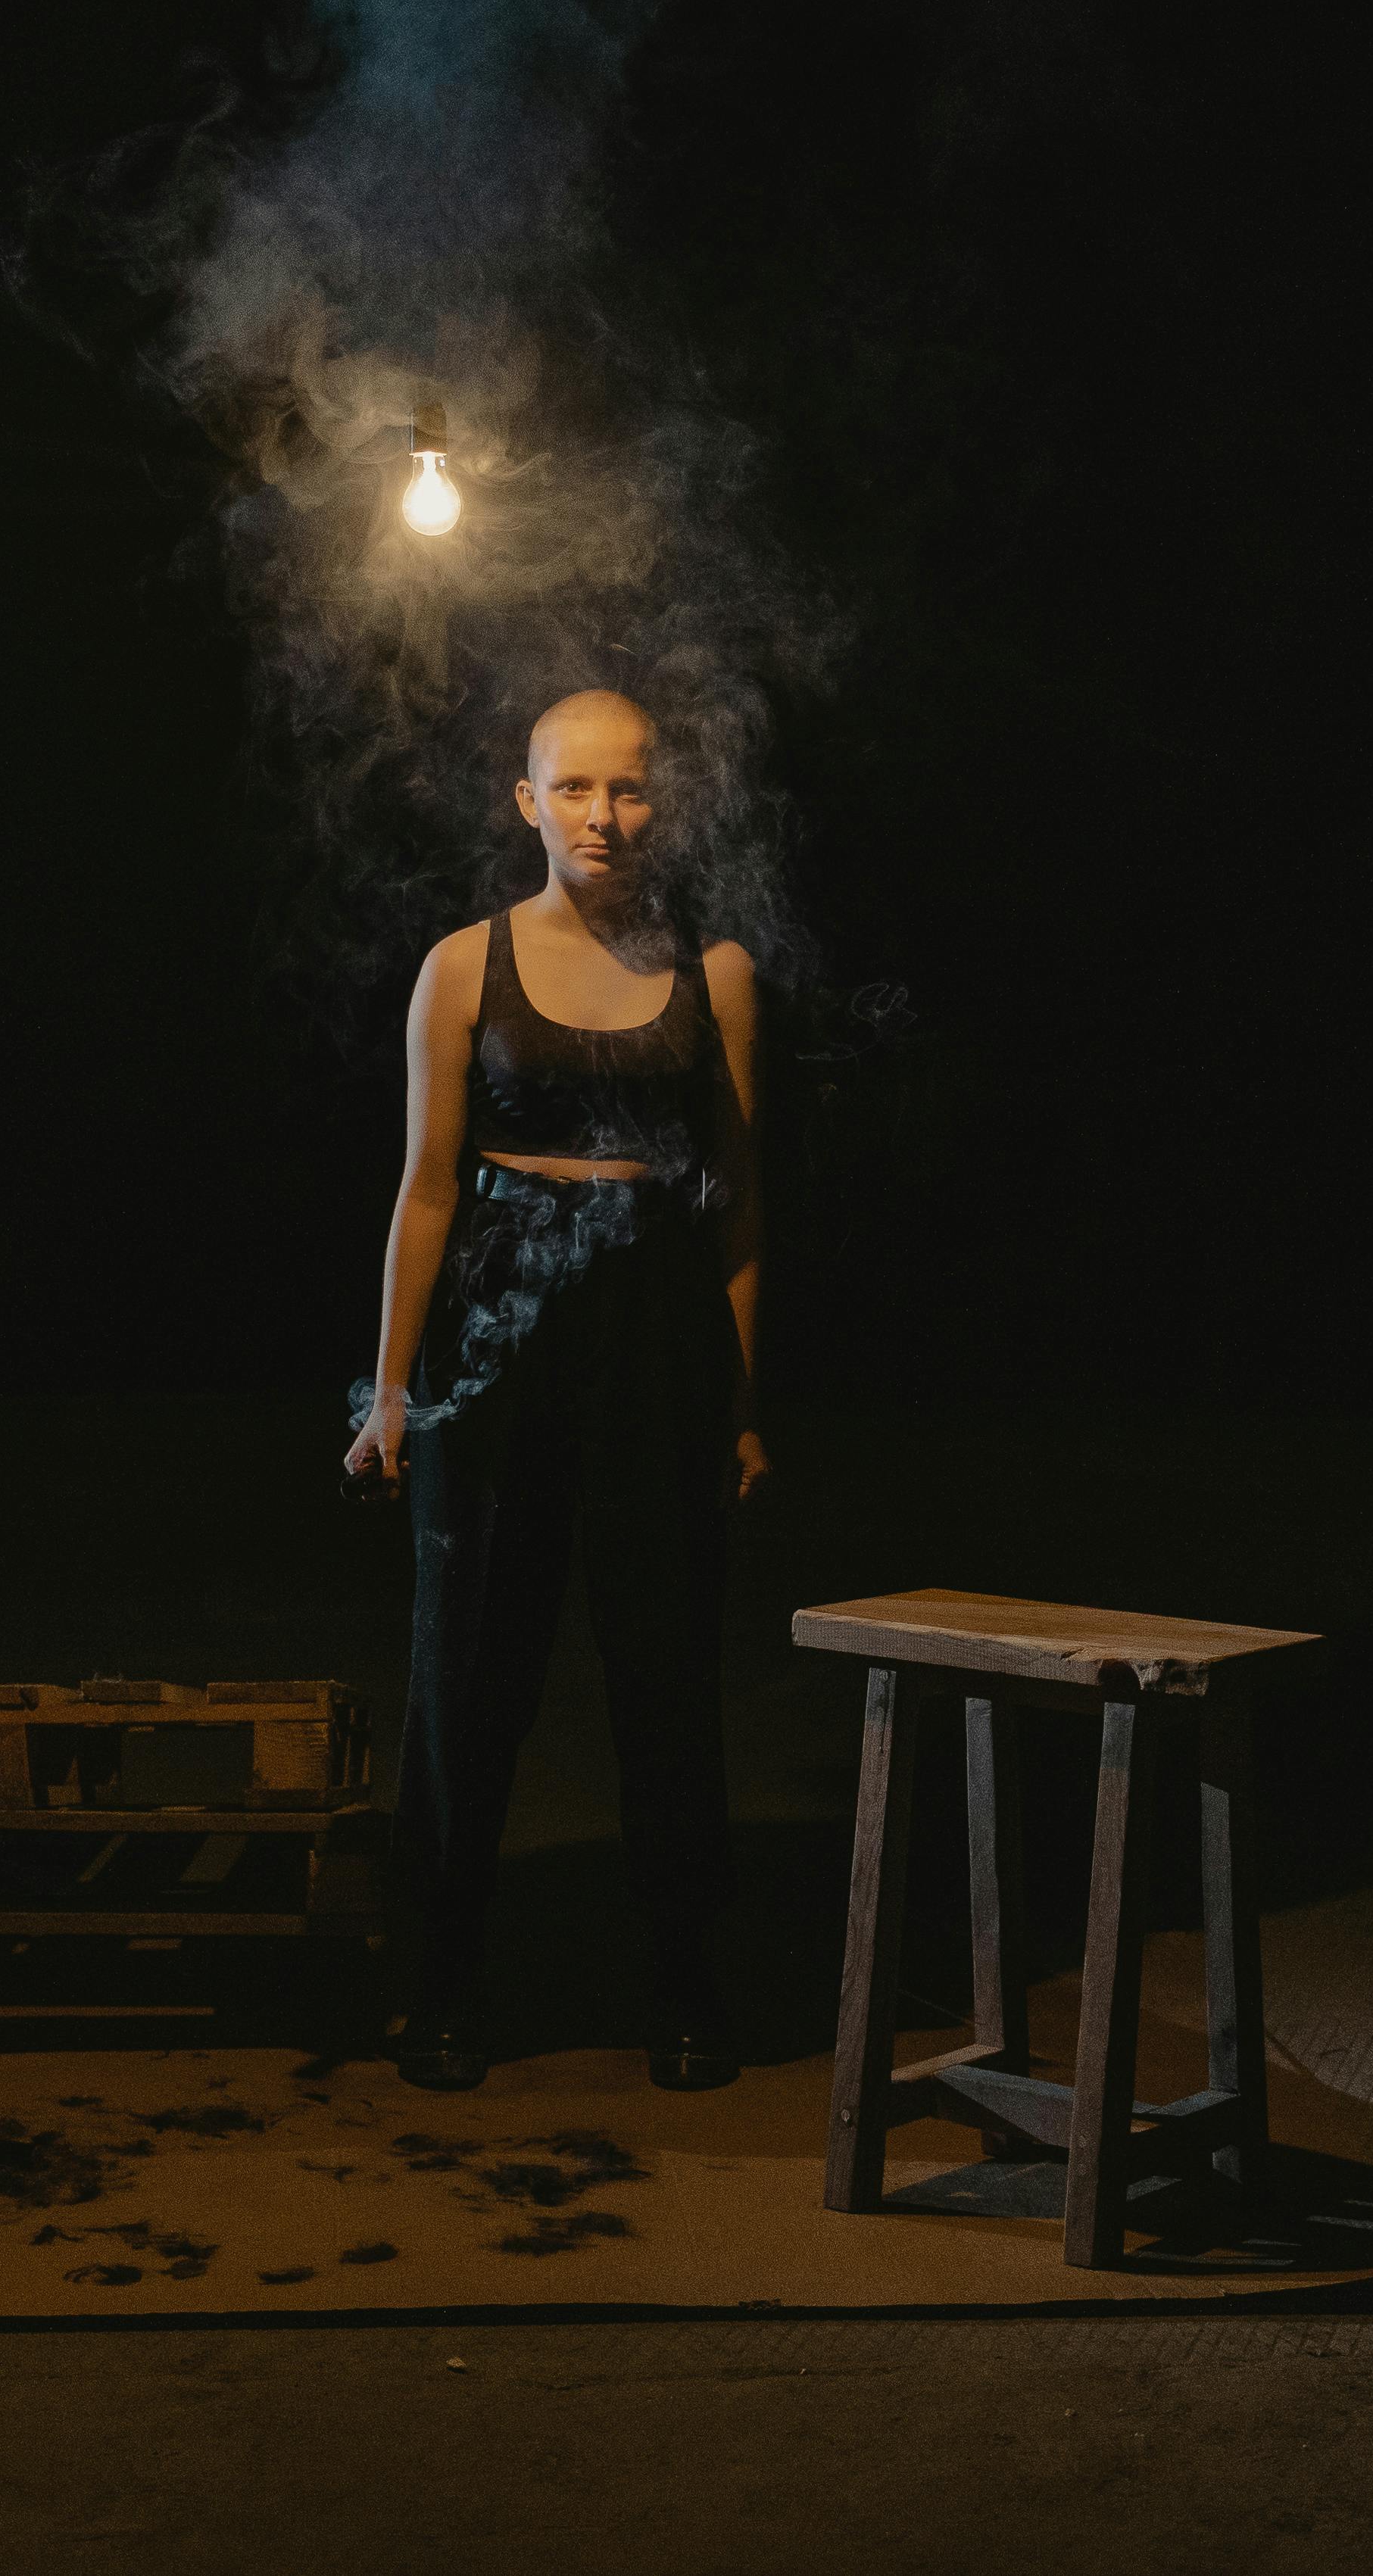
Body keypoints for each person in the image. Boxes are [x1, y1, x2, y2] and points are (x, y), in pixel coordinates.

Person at [342, 688, 772, 2092]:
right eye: (575, 788)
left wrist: (744, 1404)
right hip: (495, 1334)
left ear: (665, 800)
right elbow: (421, 1192)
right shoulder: (464, 966)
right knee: (466, 1673)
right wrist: (392, 1392)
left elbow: (738, 1210)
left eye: (631, 789)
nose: (605, 815)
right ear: (524, 800)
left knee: (665, 1676)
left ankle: (692, 1993)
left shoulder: (719, 972)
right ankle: (443, 1989)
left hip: (655, 1333)